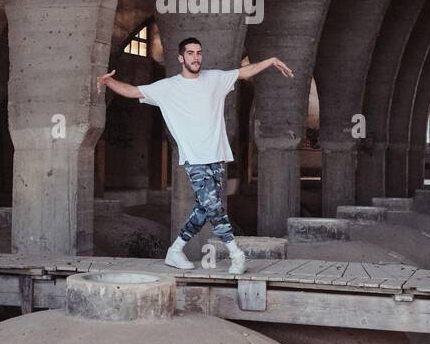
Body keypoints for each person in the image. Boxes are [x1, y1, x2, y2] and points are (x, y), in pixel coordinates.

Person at [97, 37, 294, 273]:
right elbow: (132, 91)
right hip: (195, 159)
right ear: (181, 58)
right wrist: (109, 82)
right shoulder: (168, 87)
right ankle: (236, 254)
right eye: (190, 53)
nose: (195, 57)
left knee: (204, 209)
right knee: (213, 206)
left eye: (199, 53)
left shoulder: (215, 79)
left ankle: (175, 250)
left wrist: (271, 60)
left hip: (217, 156)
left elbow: (244, 71)